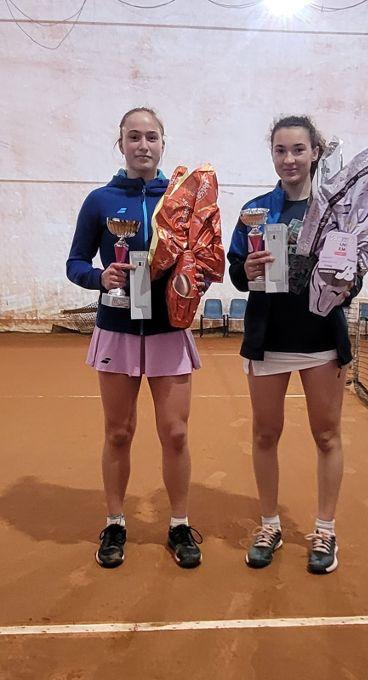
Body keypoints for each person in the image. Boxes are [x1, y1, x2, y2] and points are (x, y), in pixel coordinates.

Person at [67, 107, 205, 569]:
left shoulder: (182, 200)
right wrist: (99, 277)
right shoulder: (100, 201)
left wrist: (196, 278)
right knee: (118, 432)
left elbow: (203, 255)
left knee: (176, 433)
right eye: (134, 137)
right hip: (118, 330)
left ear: (163, 143)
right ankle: (115, 522)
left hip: (168, 329)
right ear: (121, 143)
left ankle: (179, 523)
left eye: (151, 137)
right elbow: (75, 263)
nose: (143, 145)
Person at [227, 115, 361, 574]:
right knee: (265, 434)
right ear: (272, 154)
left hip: (321, 340)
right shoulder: (255, 211)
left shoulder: (336, 212)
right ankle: (270, 525)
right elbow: (237, 270)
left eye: (298, 149)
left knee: (326, 435)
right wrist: (247, 270)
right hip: (269, 340)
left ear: (315, 153)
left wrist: (347, 284)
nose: (289, 159)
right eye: (281, 150)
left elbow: (352, 273)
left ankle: (325, 530)